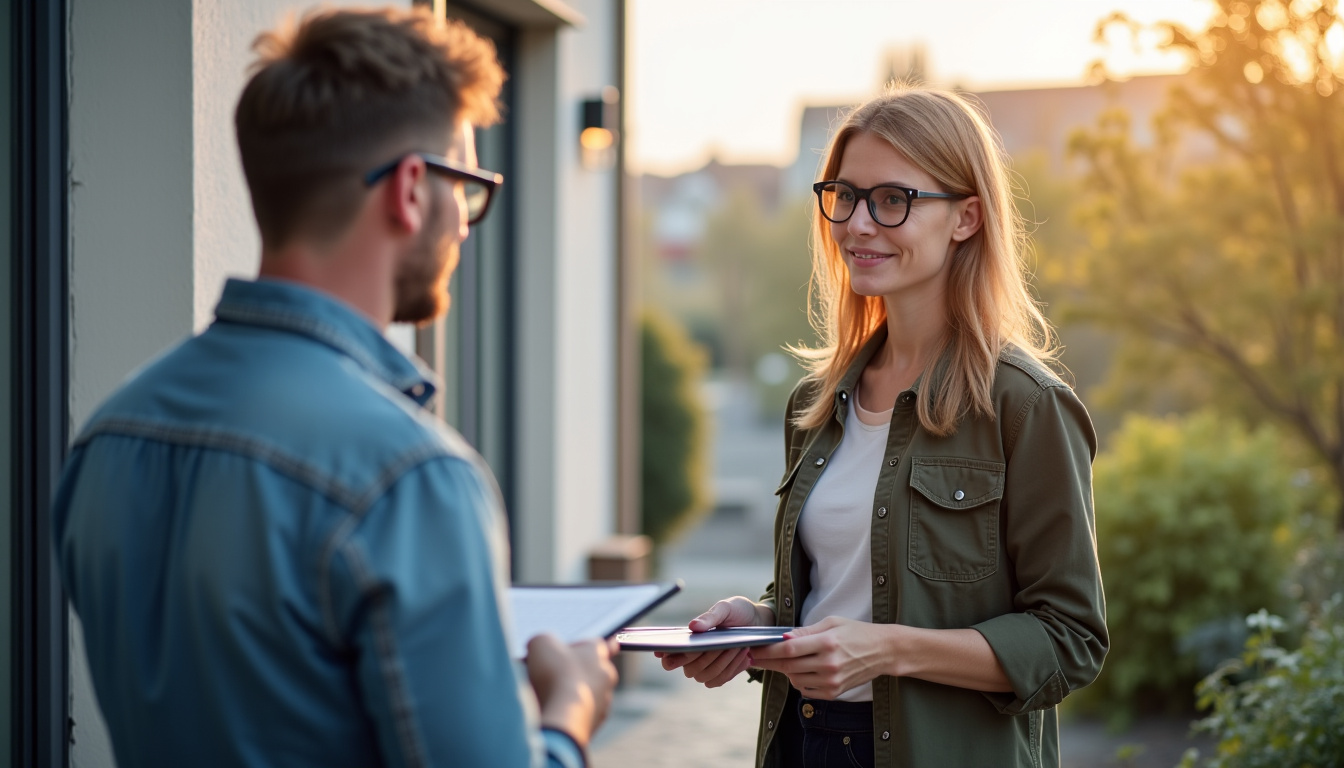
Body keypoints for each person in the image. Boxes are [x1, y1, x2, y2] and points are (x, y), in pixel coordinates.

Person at [53, 8, 616, 768]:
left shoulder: (110, 433)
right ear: (412, 190)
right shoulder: (412, 477)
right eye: (469, 189)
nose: (464, 225)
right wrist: (569, 712)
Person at [658, 85, 1108, 768]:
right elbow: (833, 591)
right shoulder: (815, 404)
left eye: (892, 200)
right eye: (844, 195)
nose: (857, 224)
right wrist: (756, 623)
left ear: (966, 218)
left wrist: (890, 648)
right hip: (805, 743)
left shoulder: (1026, 405)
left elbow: (1070, 640)